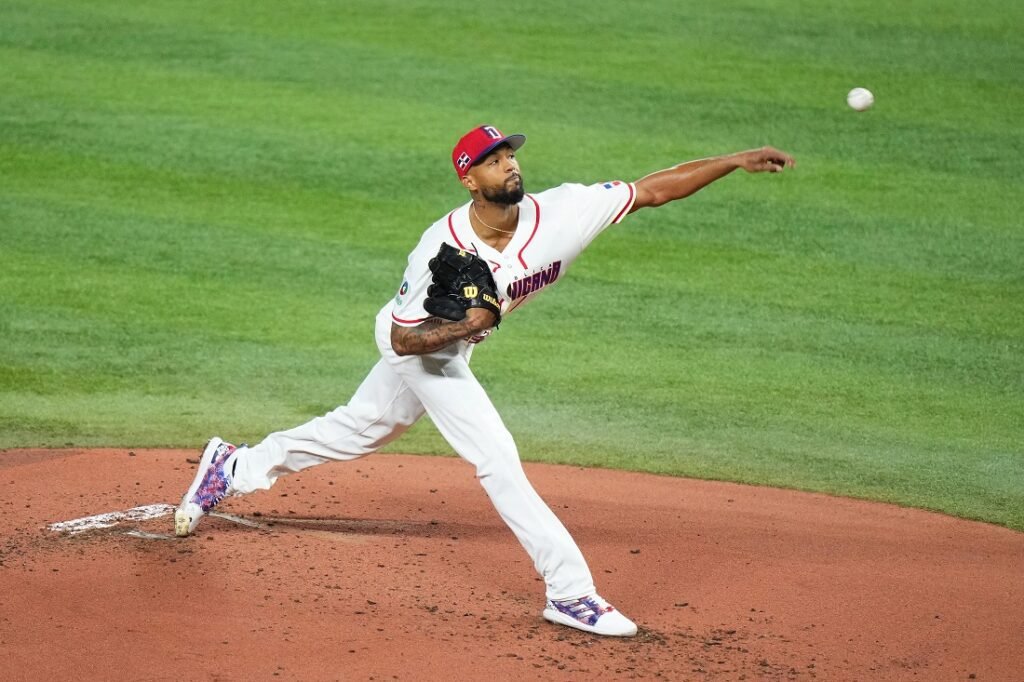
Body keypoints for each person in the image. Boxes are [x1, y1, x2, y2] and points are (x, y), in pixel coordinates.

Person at [175, 124, 795, 637]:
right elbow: (401, 339)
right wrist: (464, 326)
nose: (509, 167)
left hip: (453, 347)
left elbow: (652, 189)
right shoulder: (439, 249)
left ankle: (233, 468)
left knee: (365, 426)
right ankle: (570, 591)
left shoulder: (565, 211)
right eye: (493, 162)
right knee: (497, 457)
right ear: (469, 180)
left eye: (511, 156)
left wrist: (734, 161)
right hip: (422, 347)